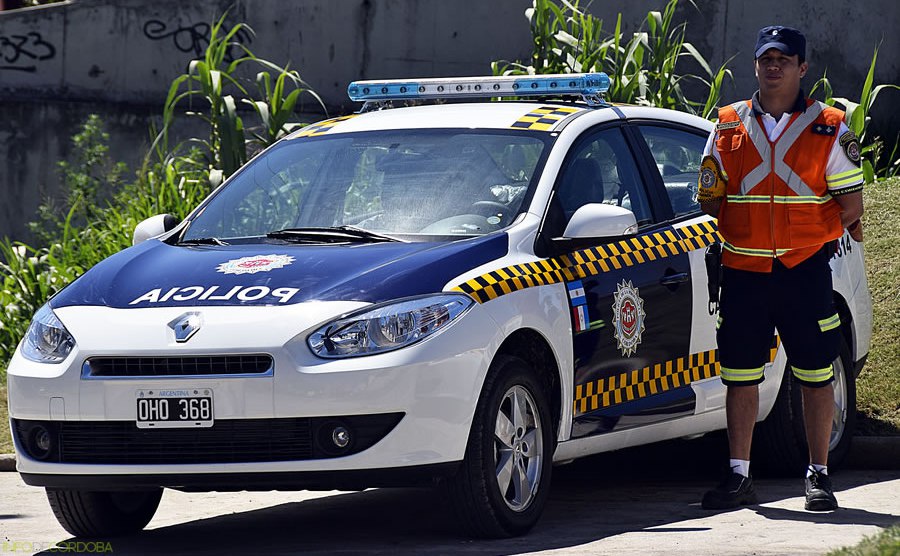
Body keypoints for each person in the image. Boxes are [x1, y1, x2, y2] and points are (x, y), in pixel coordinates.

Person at [696, 25, 864, 512]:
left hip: (803, 270)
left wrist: (808, 232)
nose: (774, 67)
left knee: (815, 373)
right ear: (755, 65)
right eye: (766, 58)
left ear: (802, 68)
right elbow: (710, 198)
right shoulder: (727, 125)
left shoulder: (829, 126)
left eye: (784, 60)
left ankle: (818, 476)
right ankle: (738, 476)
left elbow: (850, 205)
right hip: (744, 272)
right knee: (739, 374)